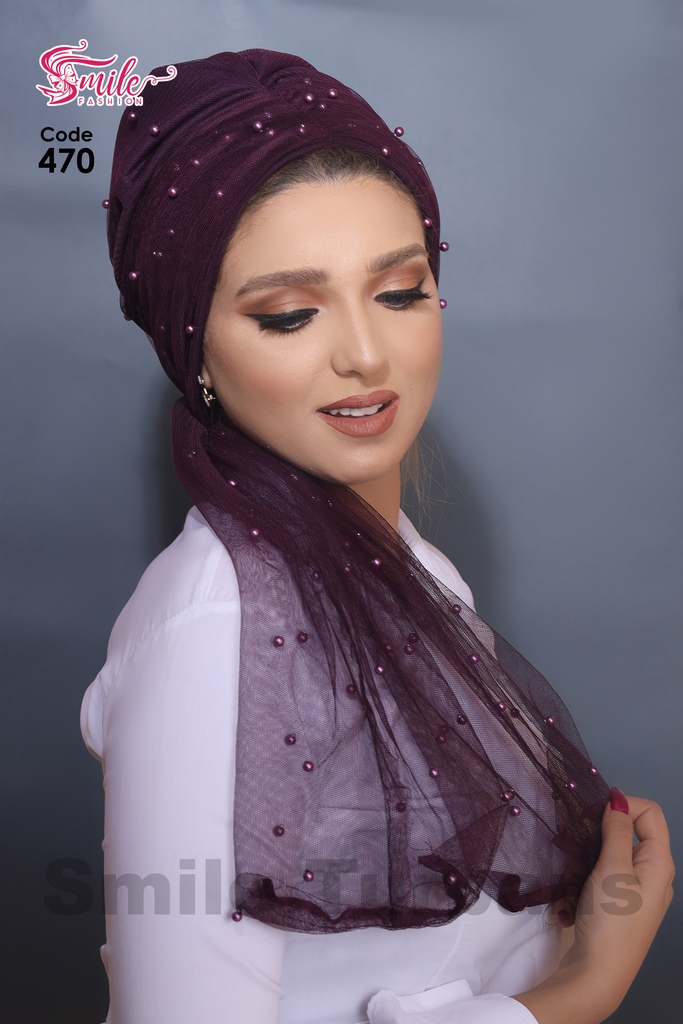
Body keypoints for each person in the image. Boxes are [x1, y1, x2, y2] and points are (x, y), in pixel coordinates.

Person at [81, 49, 674, 1024]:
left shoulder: (409, 566)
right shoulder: (223, 631)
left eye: (399, 292)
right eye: (287, 314)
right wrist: (581, 988)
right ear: (197, 353)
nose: (365, 353)